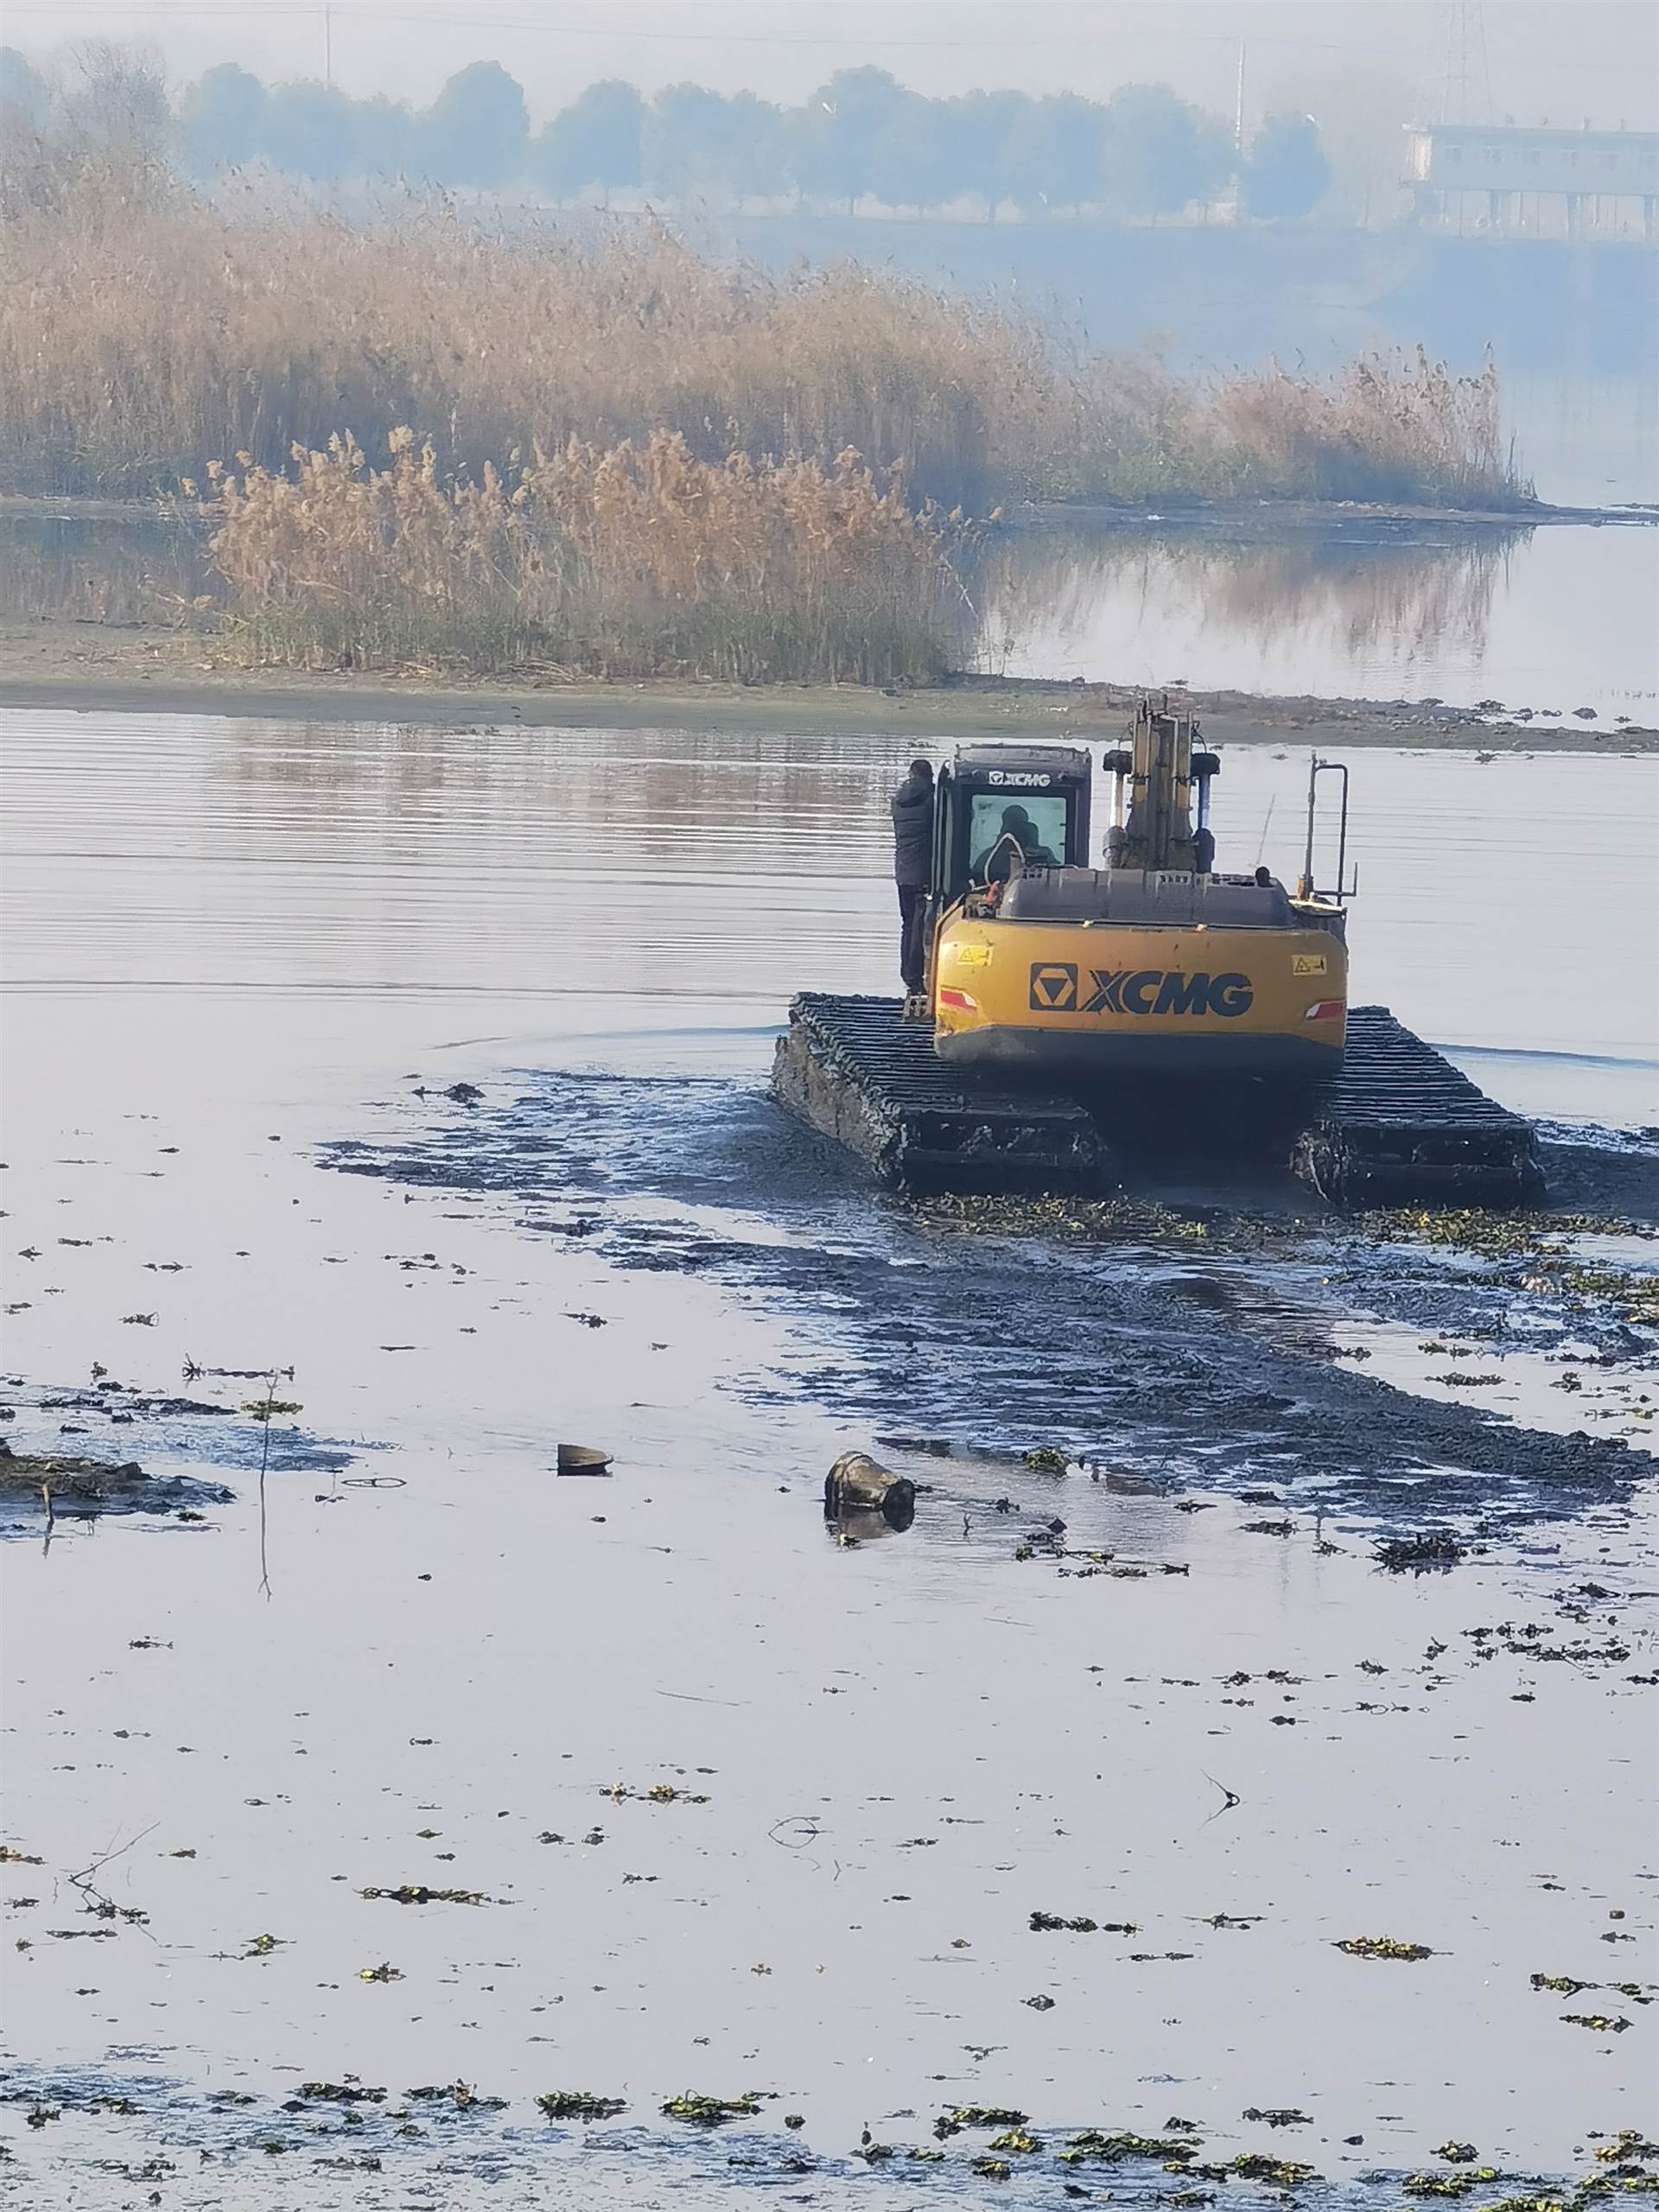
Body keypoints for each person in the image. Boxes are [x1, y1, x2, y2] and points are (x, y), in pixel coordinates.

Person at [891, 758, 933, 993]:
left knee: (908, 925)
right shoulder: (931, 799)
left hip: (902, 872)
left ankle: (908, 976)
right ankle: (915, 978)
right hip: (922, 872)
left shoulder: (898, 800)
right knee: (919, 925)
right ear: (929, 777)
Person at [974, 803, 1058, 883]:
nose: (1018, 829)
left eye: (1021, 824)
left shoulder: (1043, 854)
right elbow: (975, 881)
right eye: (1013, 824)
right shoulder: (990, 857)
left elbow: (1059, 878)